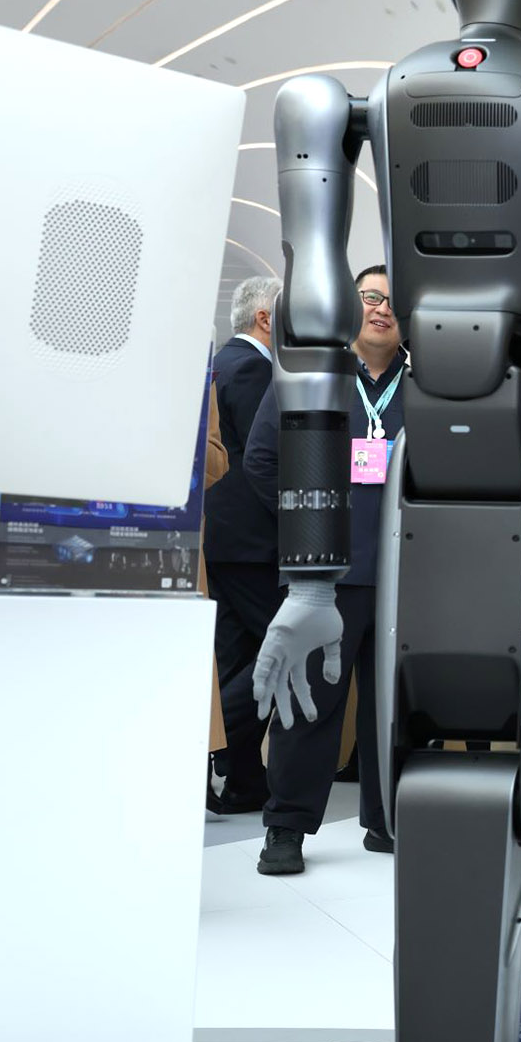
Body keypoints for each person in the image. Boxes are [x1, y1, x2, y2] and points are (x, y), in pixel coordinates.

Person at [241, 266, 400, 875]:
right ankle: (285, 827)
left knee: (395, 704)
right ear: (347, 308)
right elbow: (261, 460)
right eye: (369, 297)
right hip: (322, 574)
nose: (381, 308)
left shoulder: (428, 385)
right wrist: (310, 531)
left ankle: (387, 819)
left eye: (393, 300)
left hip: (405, 573)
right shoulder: (311, 375)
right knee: (309, 703)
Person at [206, 276, 283, 813]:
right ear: (265, 318)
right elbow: (264, 457)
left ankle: (243, 781)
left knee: (235, 661)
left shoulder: (220, 365)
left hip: (222, 539)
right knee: (281, 655)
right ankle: (203, 744)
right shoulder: (255, 370)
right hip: (254, 540)